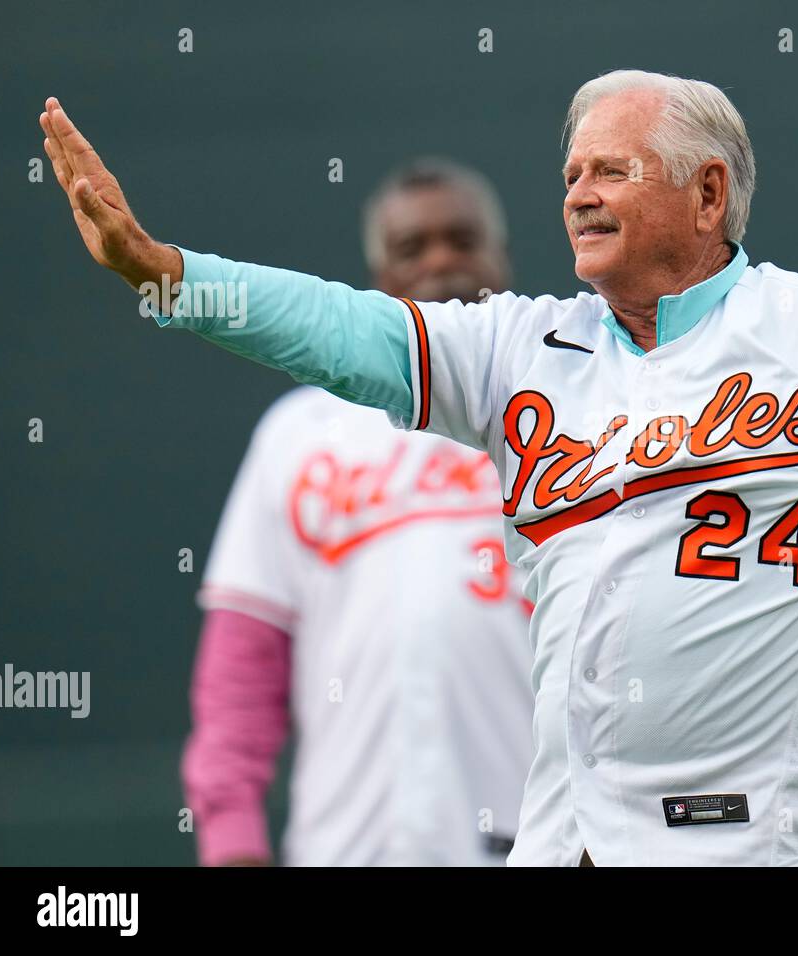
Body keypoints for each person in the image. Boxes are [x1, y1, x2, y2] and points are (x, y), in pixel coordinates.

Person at [39, 70, 798, 867]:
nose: (576, 187)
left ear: (708, 191)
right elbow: (345, 331)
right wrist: (168, 275)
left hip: (752, 842)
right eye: (569, 170)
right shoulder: (522, 346)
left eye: (610, 167)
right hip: (564, 837)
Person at [180, 159, 533, 866]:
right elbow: (243, 665)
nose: (441, 261)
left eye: (462, 240)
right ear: (377, 283)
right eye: (412, 247)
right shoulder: (304, 431)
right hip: (348, 847)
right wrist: (231, 834)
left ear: (503, 258)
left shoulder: (564, 408)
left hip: (536, 840)